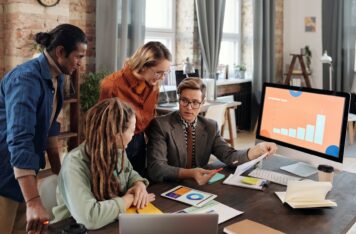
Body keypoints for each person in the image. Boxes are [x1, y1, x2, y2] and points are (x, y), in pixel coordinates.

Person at [0, 24, 87, 234]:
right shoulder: (26, 79)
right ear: (60, 52)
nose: (80, 64)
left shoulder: (57, 77)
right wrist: (33, 202)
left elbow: (49, 128)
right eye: (78, 56)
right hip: (4, 174)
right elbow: (20, 140)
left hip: (24, 176)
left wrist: (59, 175)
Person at [147, 78, 278, 185]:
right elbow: (156, 168)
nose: (189, 107)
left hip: (197, 186)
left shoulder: (210, 126)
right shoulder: (161, 125)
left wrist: (255, 151)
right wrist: (190, 173)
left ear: (202, 102)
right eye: (184, 101)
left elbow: (229, 156)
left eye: (195, 102)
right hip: (166, 186)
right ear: (179, 99)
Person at [52, 98, 155, 230]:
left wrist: (139, 184)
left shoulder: (117, 150)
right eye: (132, 130)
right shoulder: (74, 164)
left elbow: (129, 174)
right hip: (71, 228)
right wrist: (128, 199)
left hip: (110, 225)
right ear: (116, 134)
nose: (133, 135)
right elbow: (89, 218)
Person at [99, 41, 172, 175]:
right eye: (158, 73)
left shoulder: (154, 84)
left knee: (139, 183)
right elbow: (103, 127)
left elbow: (150, 117)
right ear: (144, 66)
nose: (162, 77)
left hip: (139, 141)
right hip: (117, 143)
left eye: (165, 73)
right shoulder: (111, 85)